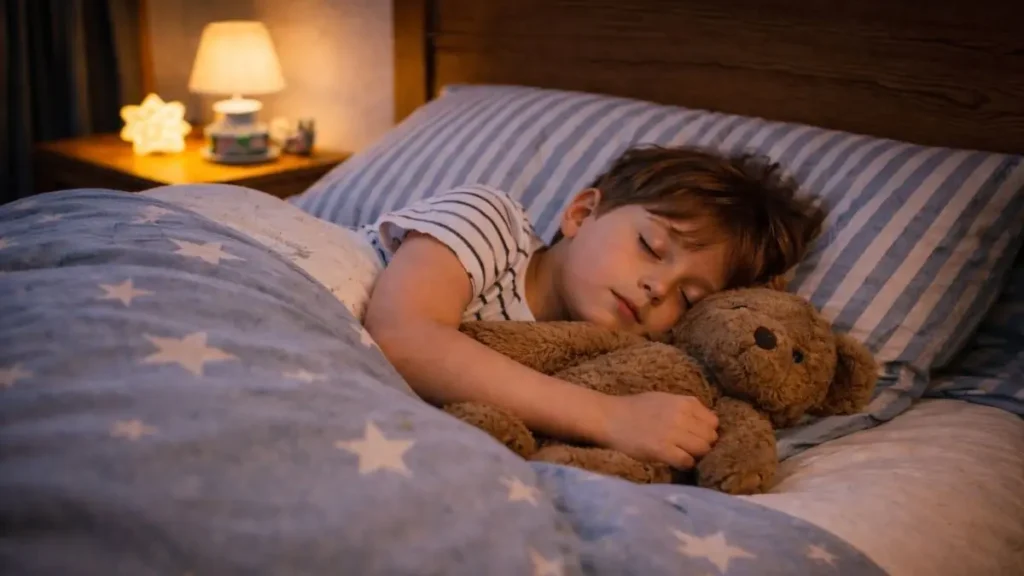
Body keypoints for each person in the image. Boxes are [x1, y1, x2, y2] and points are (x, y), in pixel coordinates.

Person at [361, 144, 826, 471]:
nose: (658, 287)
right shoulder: (489, 223)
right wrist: (609, 418)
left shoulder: (612, 362)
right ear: (582, 213)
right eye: (650, 245)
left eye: (688, 297)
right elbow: (403, 335)